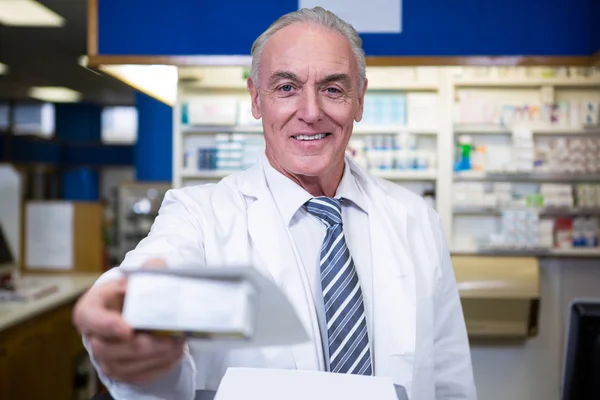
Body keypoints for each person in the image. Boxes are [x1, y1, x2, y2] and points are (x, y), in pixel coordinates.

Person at [73, 6, 477, 400]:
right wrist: (127, 322)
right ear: (256, 98)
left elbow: (451, 381)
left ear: (360, 99)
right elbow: (155, 271)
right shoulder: (199, 215)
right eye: (286, 88)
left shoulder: (416, 219)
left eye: (333, 89)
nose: (311, 112)